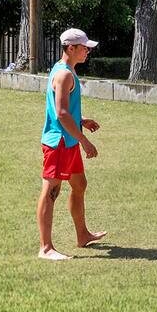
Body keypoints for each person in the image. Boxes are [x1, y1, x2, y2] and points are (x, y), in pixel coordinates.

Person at [37, 28, 106, 260]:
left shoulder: (64, 71)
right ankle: (46, 248)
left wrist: (82, 121)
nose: (87, 51)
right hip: (59, 143)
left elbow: (67, 111)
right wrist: (84, 141)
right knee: (51, 191)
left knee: (79, 184)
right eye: (83, 47)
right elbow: (62, 113)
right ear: (70, 48)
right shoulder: (64, 74)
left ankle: (82, 235)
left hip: (68, 141)